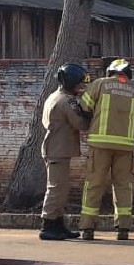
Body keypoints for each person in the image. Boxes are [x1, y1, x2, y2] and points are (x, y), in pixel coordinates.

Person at [77, 58, 134, 241]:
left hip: (99, 144)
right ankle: (123, 228)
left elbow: (84, 107)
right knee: (123, 186)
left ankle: (88, 229)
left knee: (94, 185)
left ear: (110, 71)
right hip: (125, 146)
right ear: (128, 73)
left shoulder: (100, 84)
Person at [39, 62, 93, 241]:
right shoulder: (66, 101)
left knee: (60, 188)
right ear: (70, 82)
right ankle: (48, 226)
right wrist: (91, 115)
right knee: (55, 188)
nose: (82, 86)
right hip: (58, 149)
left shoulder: (54, 96)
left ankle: (58, 225)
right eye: (79, 83)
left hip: (56, 147)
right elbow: (80, 124)